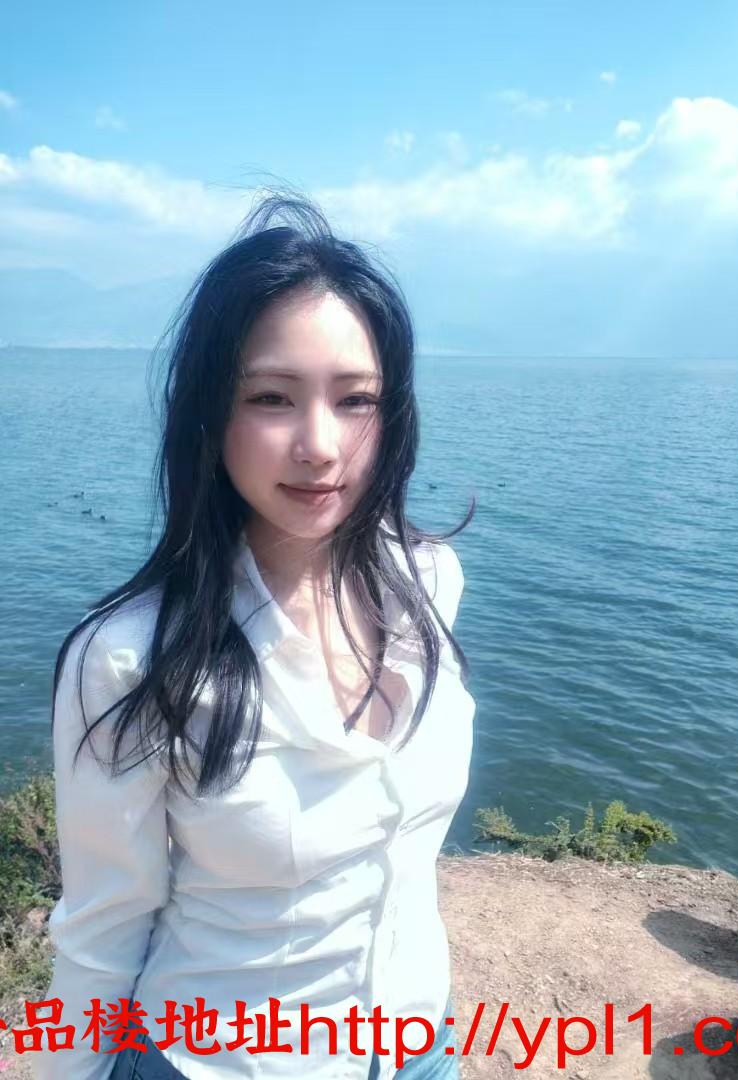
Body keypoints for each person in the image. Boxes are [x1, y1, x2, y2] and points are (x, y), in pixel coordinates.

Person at [33, 188, 476, 1080]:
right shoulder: (129, 660)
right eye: (272, 397)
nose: (320, 445)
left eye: (356, 400)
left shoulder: (428, 581)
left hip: (415, 1045)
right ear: (209, 415)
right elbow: (101, 929)